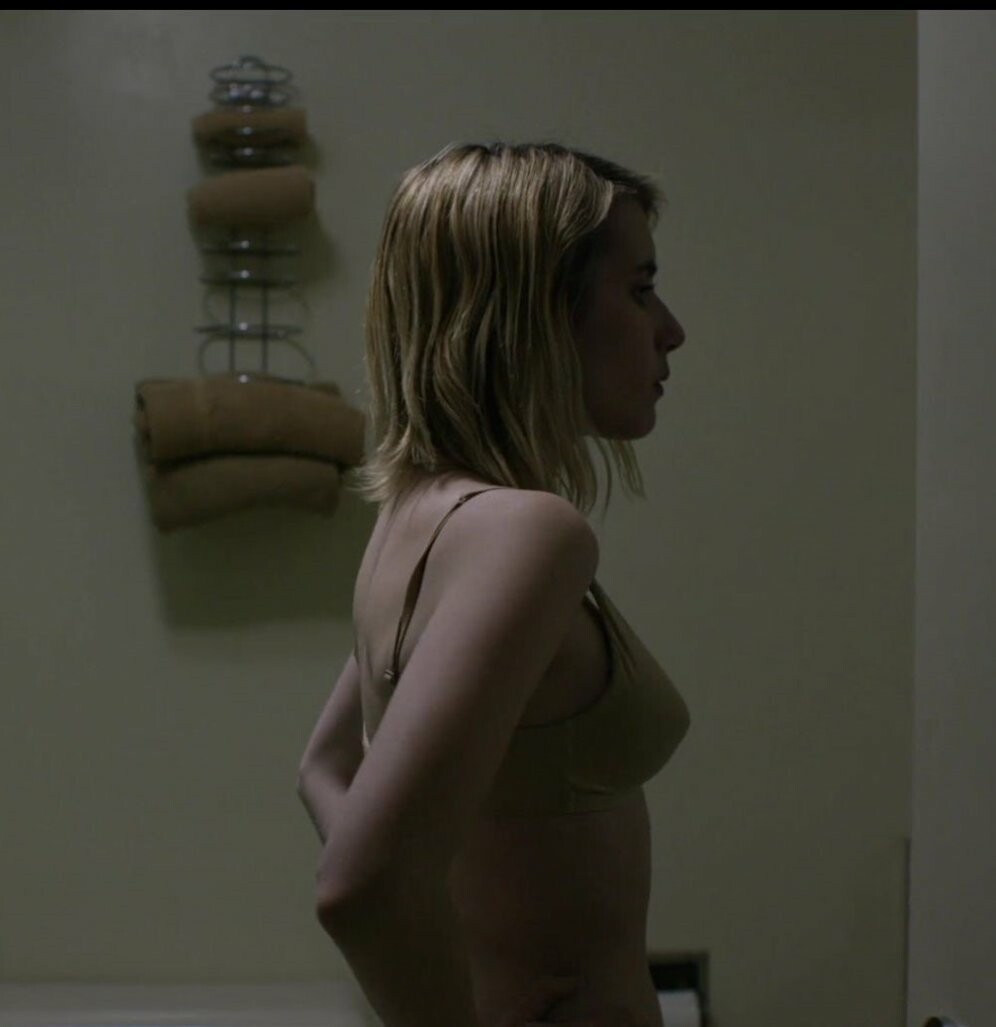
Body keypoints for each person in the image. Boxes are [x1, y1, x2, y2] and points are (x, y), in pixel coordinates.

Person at [294, 142, 691, 1027]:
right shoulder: (529, 535)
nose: (671, 330)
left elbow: (326, 767)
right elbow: (359, 884)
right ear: (536, 309)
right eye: (639, 290)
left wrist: (471, 949)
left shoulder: (418, 516)